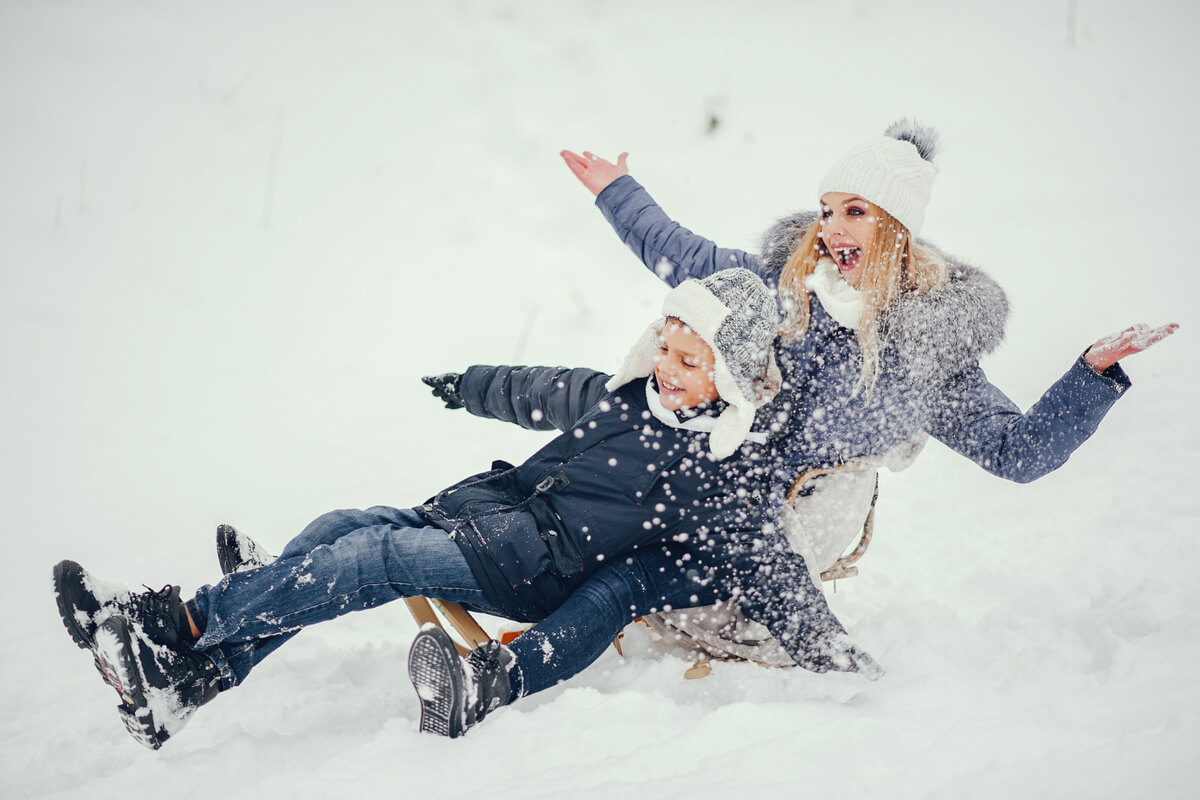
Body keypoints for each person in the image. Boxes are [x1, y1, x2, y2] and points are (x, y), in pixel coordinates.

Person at [393, 120, 1178, 732]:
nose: (834, 225)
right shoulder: (787, 283)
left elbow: (1021, 452)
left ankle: (500, 665)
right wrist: (618, 191)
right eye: (830, 207)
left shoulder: (927, 348)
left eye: (857, 211)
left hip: (804, 514)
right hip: (726, 467)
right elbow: (682, 254)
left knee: (632, 561)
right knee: (614, 443)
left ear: (897, 226)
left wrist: (1092, 375)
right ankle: (390, 553)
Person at [52, 268, 879, 750]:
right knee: (345, 528)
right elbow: (541, 390)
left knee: (376, 559)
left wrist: (836, 653)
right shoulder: (625, 398)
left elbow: (772, 568)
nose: (666, 365)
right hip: (490, 517)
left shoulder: (716, 473)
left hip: (534, 570)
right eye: (664, 344)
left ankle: (179, 624)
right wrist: (470, 385)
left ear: (727, 375)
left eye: (690, 358)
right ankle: (186, 686)